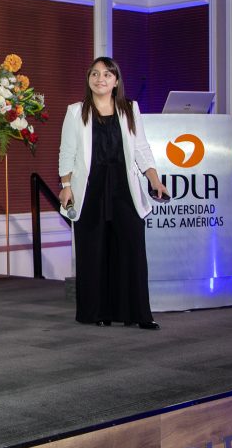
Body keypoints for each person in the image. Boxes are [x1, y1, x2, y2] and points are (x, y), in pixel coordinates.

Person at [58, 57, 168, 330]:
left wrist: (155, 179)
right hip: (89, 187)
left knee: (132, 249)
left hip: (124, 187)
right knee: (93, 251)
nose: (100, 79)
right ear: (89, 80)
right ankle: (97, 313)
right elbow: (67, 152)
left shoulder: (130, 109)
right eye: (94, 74)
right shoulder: (76, 112)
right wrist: (65, 186)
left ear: (116, 81)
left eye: (107, 75)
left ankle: (140, 314)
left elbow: (141, 149)